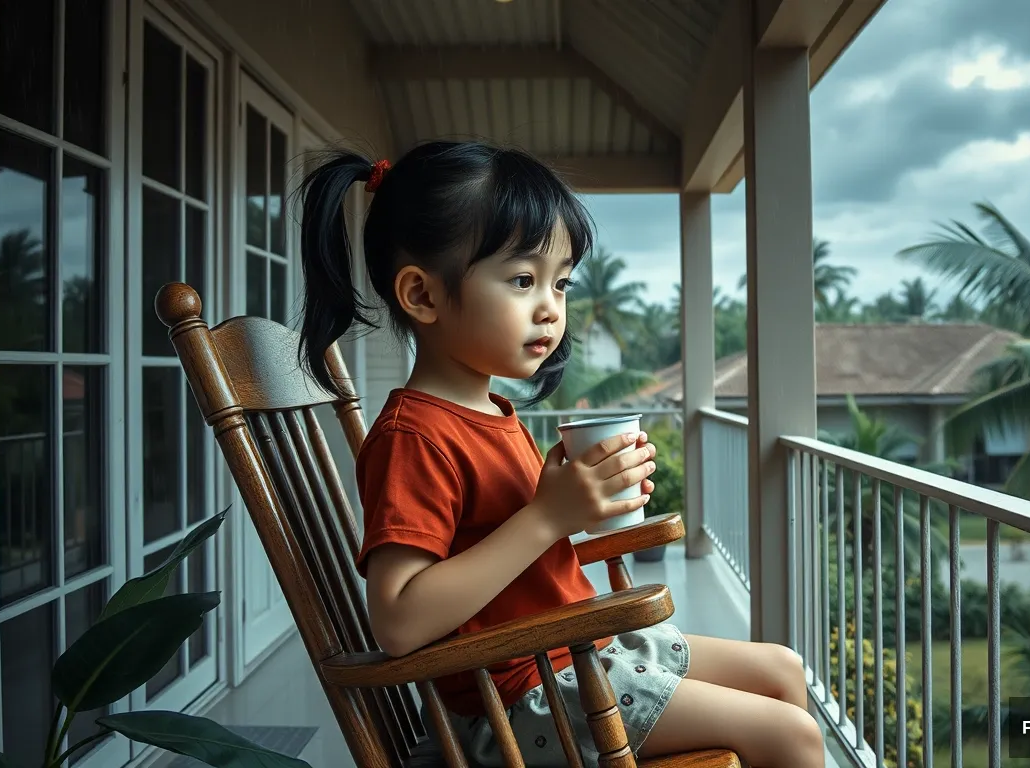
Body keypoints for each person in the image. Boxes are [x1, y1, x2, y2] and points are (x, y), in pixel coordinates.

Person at [292, 140, 825, 767]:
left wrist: (584, 511)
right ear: (424, 296)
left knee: (783, 670)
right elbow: (399, 622)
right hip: (519, 698)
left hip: (574, 652)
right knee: (792, 735)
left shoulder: (493, 413)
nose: (552, 308)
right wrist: (548, 517)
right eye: (523, 280)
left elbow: (515, 552)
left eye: (561, 283)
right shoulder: (415, 436)